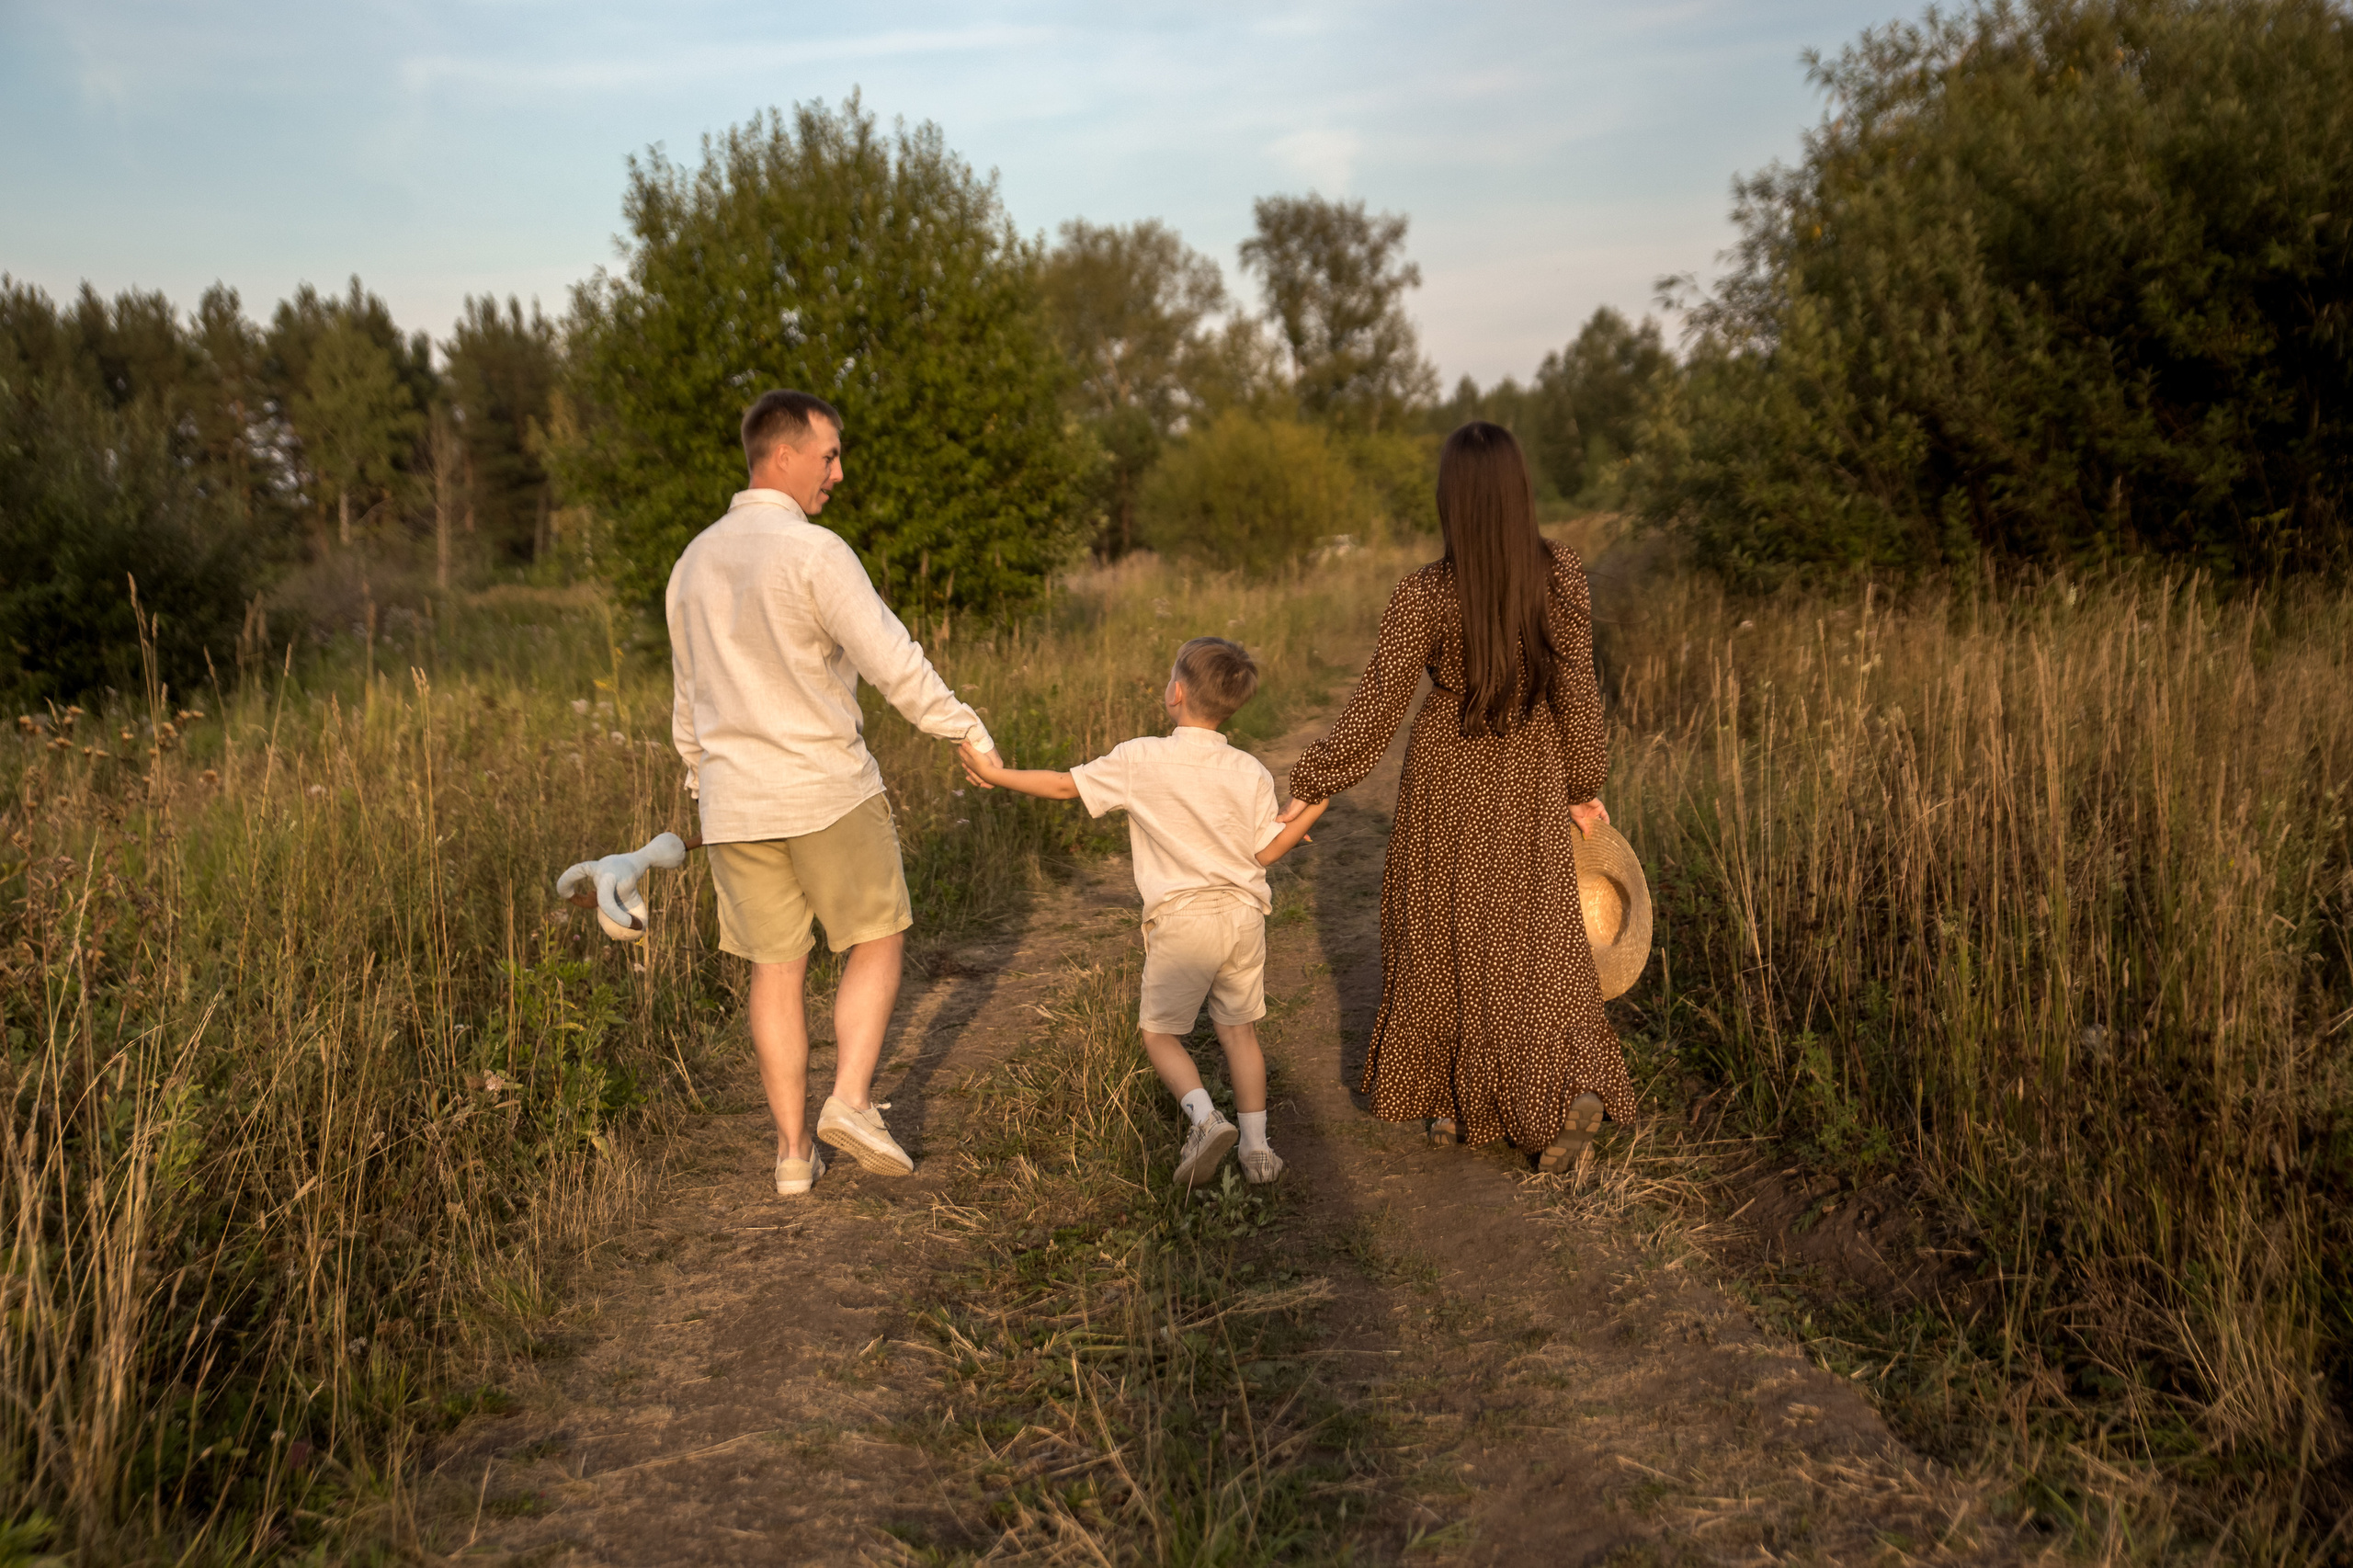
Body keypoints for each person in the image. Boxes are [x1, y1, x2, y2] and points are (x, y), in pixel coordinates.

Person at [667, 389, 1003, 1197]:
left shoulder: (691, 563)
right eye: (829, 455)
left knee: (775, 971)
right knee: (878, 936)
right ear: (781, 455)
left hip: (734, 804)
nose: (839, 473)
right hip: (824, 790)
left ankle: (791, 1157)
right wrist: (963, 729)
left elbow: (689, 699)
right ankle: (849, 1100)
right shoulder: (815, 552)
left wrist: (698, 782)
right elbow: (890, 656)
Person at [1277, 422, 1633, 1171]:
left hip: (1447, 777)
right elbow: (1578, 691)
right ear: (1518, 494)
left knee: (1441, 935)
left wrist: (1313, 782)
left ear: (1453, 500)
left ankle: (1452, 1098)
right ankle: (1558, 1088)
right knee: (1536, 942)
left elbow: (1378, 706)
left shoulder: (1423, 593)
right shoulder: (1560, 572)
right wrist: (1582, 785)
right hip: (1530, 771)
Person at [956, 637, 1326, 1189]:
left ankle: (1204, 1119)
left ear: (1176, 692)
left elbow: (1063, 785)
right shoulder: (1248, 769)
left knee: (1159, 1033)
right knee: (1239, 1033)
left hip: (1183, 920)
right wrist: (1313, 805)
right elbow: (1266, 850)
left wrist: (998, 775)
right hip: (1243, 918)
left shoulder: (1140, 758)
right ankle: (1257, 1150)